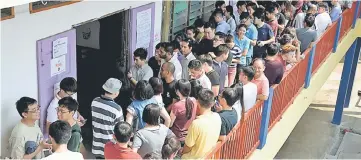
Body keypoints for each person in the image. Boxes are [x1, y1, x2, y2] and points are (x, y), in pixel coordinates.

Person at [182, 89, 222, 159]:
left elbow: (188, 147)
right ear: (212, 104)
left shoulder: (196, 124)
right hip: (209, 156)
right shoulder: (217, 117)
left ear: (197, 102)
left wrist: (181, 152)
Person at [91, 78, 123, 159]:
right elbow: (120, 129)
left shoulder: (94, 102)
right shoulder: (117, 109)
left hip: (96, 146)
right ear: (116, 93)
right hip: (110, 147)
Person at [169, 79, 197, 144]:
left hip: (177, 137)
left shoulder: (176, 106)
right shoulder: (194, 100)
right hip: (189, 135)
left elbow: (170, 123)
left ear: (177, 91)